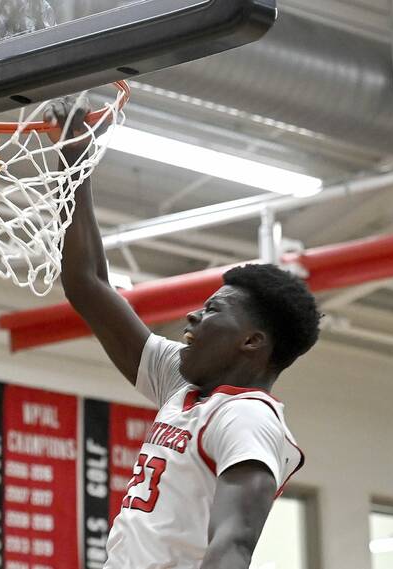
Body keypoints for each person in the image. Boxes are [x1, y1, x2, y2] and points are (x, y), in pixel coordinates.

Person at [45, 97, 322, 569]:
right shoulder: (183, 384)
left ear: (252, 341)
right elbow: (86, 282)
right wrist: (76, 155)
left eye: (213, 310)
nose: (193, 317)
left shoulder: (246, 418)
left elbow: (233, 545)